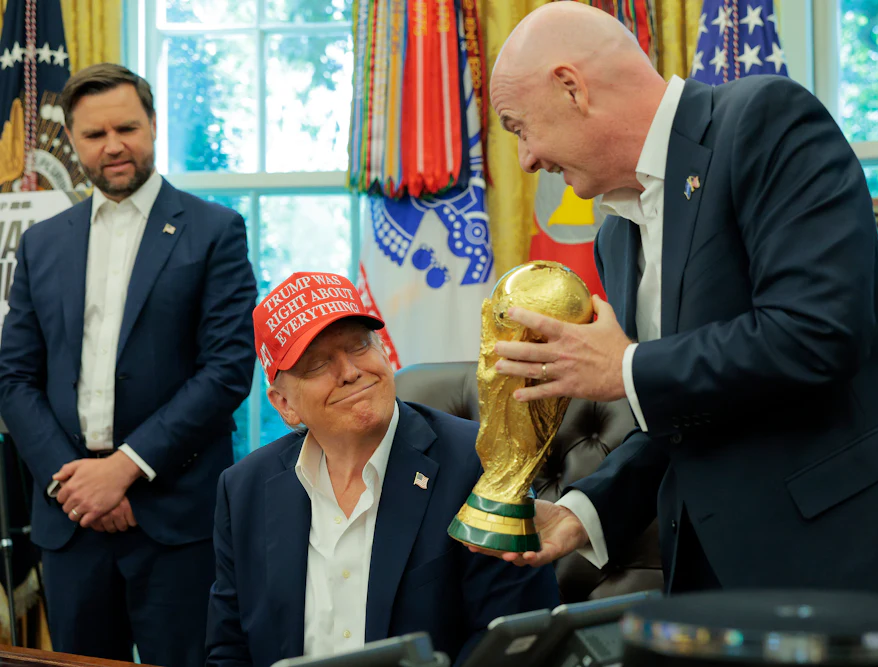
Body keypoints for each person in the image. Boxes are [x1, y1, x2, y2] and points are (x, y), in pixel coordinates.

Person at [482, 1, 878, 616]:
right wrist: (581, 512)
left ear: (572, 88)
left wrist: (625, 368)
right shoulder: (615, 236)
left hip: (857, 577)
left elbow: (817, 331)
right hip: (717, 597)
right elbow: (687, 415)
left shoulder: (765, 120)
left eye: (518, 128)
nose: (526, 159)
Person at [0, 64, 257, 664]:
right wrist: (75, 483)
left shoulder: (215, 230)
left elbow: (227, 369)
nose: (113, 145)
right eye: (95, 134)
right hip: (70, 518)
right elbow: (13, 377)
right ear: (73, 140)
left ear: (154, 125)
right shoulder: (42, 243)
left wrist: (124, 469)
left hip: (175, 518)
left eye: (127, 128)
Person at [205, 272, 560, 667]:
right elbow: (229, 649)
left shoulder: (480, 463)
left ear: (383, 349)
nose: (349, 372)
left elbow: (515, 640)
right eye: (317, 364)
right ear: (284, 404)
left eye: (359, 345)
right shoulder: (244, 490)